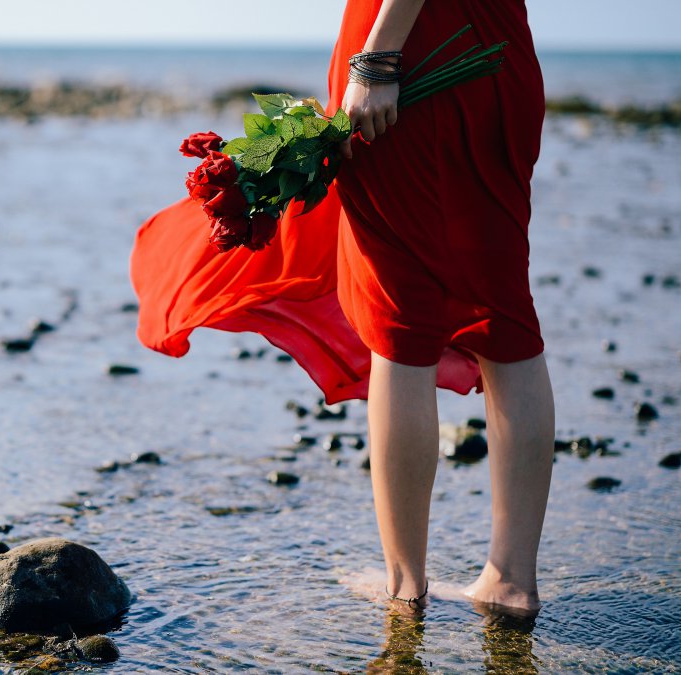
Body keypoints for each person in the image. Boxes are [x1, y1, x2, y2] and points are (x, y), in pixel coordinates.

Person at [130, 0, 554, 614]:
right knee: (505, 315)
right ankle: (512, 581)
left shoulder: (389, 57)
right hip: (497, 55)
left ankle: (405, 585)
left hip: (416, 57)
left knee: (401, 316)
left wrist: (378, 58)